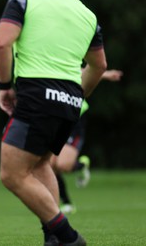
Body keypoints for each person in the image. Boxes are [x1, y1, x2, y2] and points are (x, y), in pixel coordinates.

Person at [0, 0, 107, 245]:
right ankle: (52, 238)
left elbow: (1, 44)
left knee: (12, 174)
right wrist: (79, 95)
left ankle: (68, 237)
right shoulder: (87, 13)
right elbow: (99, 66)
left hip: (36, 95)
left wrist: (6, 85)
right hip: (69, 101)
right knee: (42, 164)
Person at [53, 69, 123, 214]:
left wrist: (104, 74)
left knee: (62, 165)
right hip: (54, 118)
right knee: (50, 165)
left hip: (74, 117)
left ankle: (81, 165)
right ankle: (66, 203)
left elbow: (83, 70)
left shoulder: (60, 60)